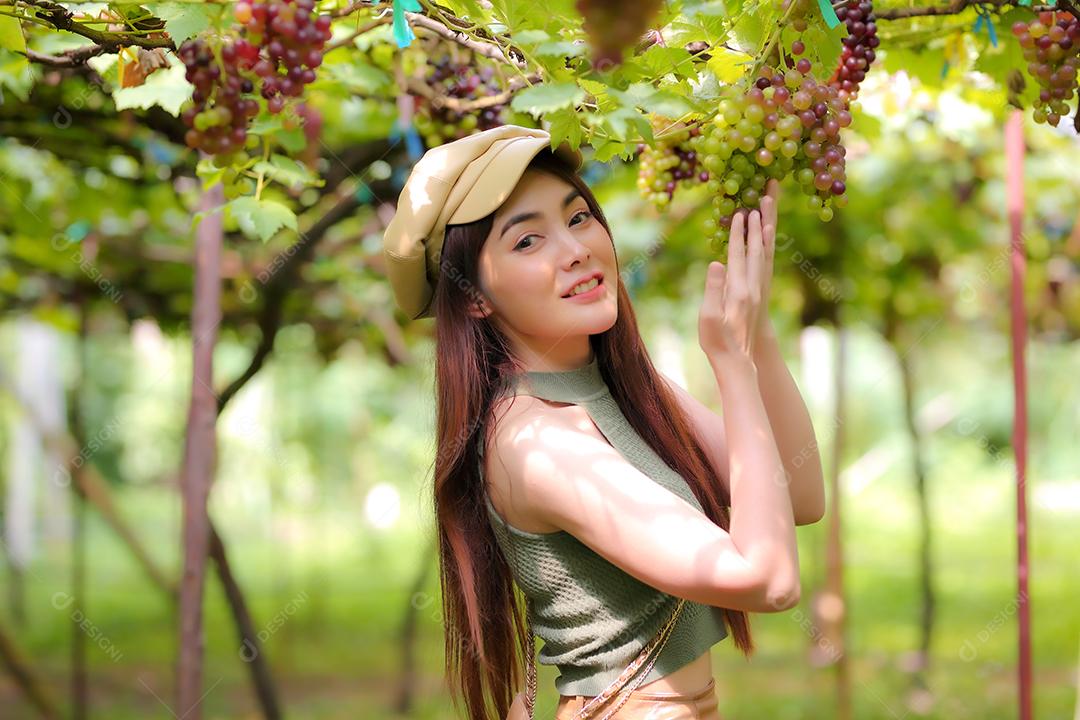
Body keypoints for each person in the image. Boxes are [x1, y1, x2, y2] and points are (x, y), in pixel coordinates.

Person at [382, 125, 825, 720]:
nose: (574, 250)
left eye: (579, 217)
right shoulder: (534, 442)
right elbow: (769, 580)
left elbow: (798, 495)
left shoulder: (621, 386)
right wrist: (733, 365)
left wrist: (758, 334)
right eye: (527, 241)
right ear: (476, 298)